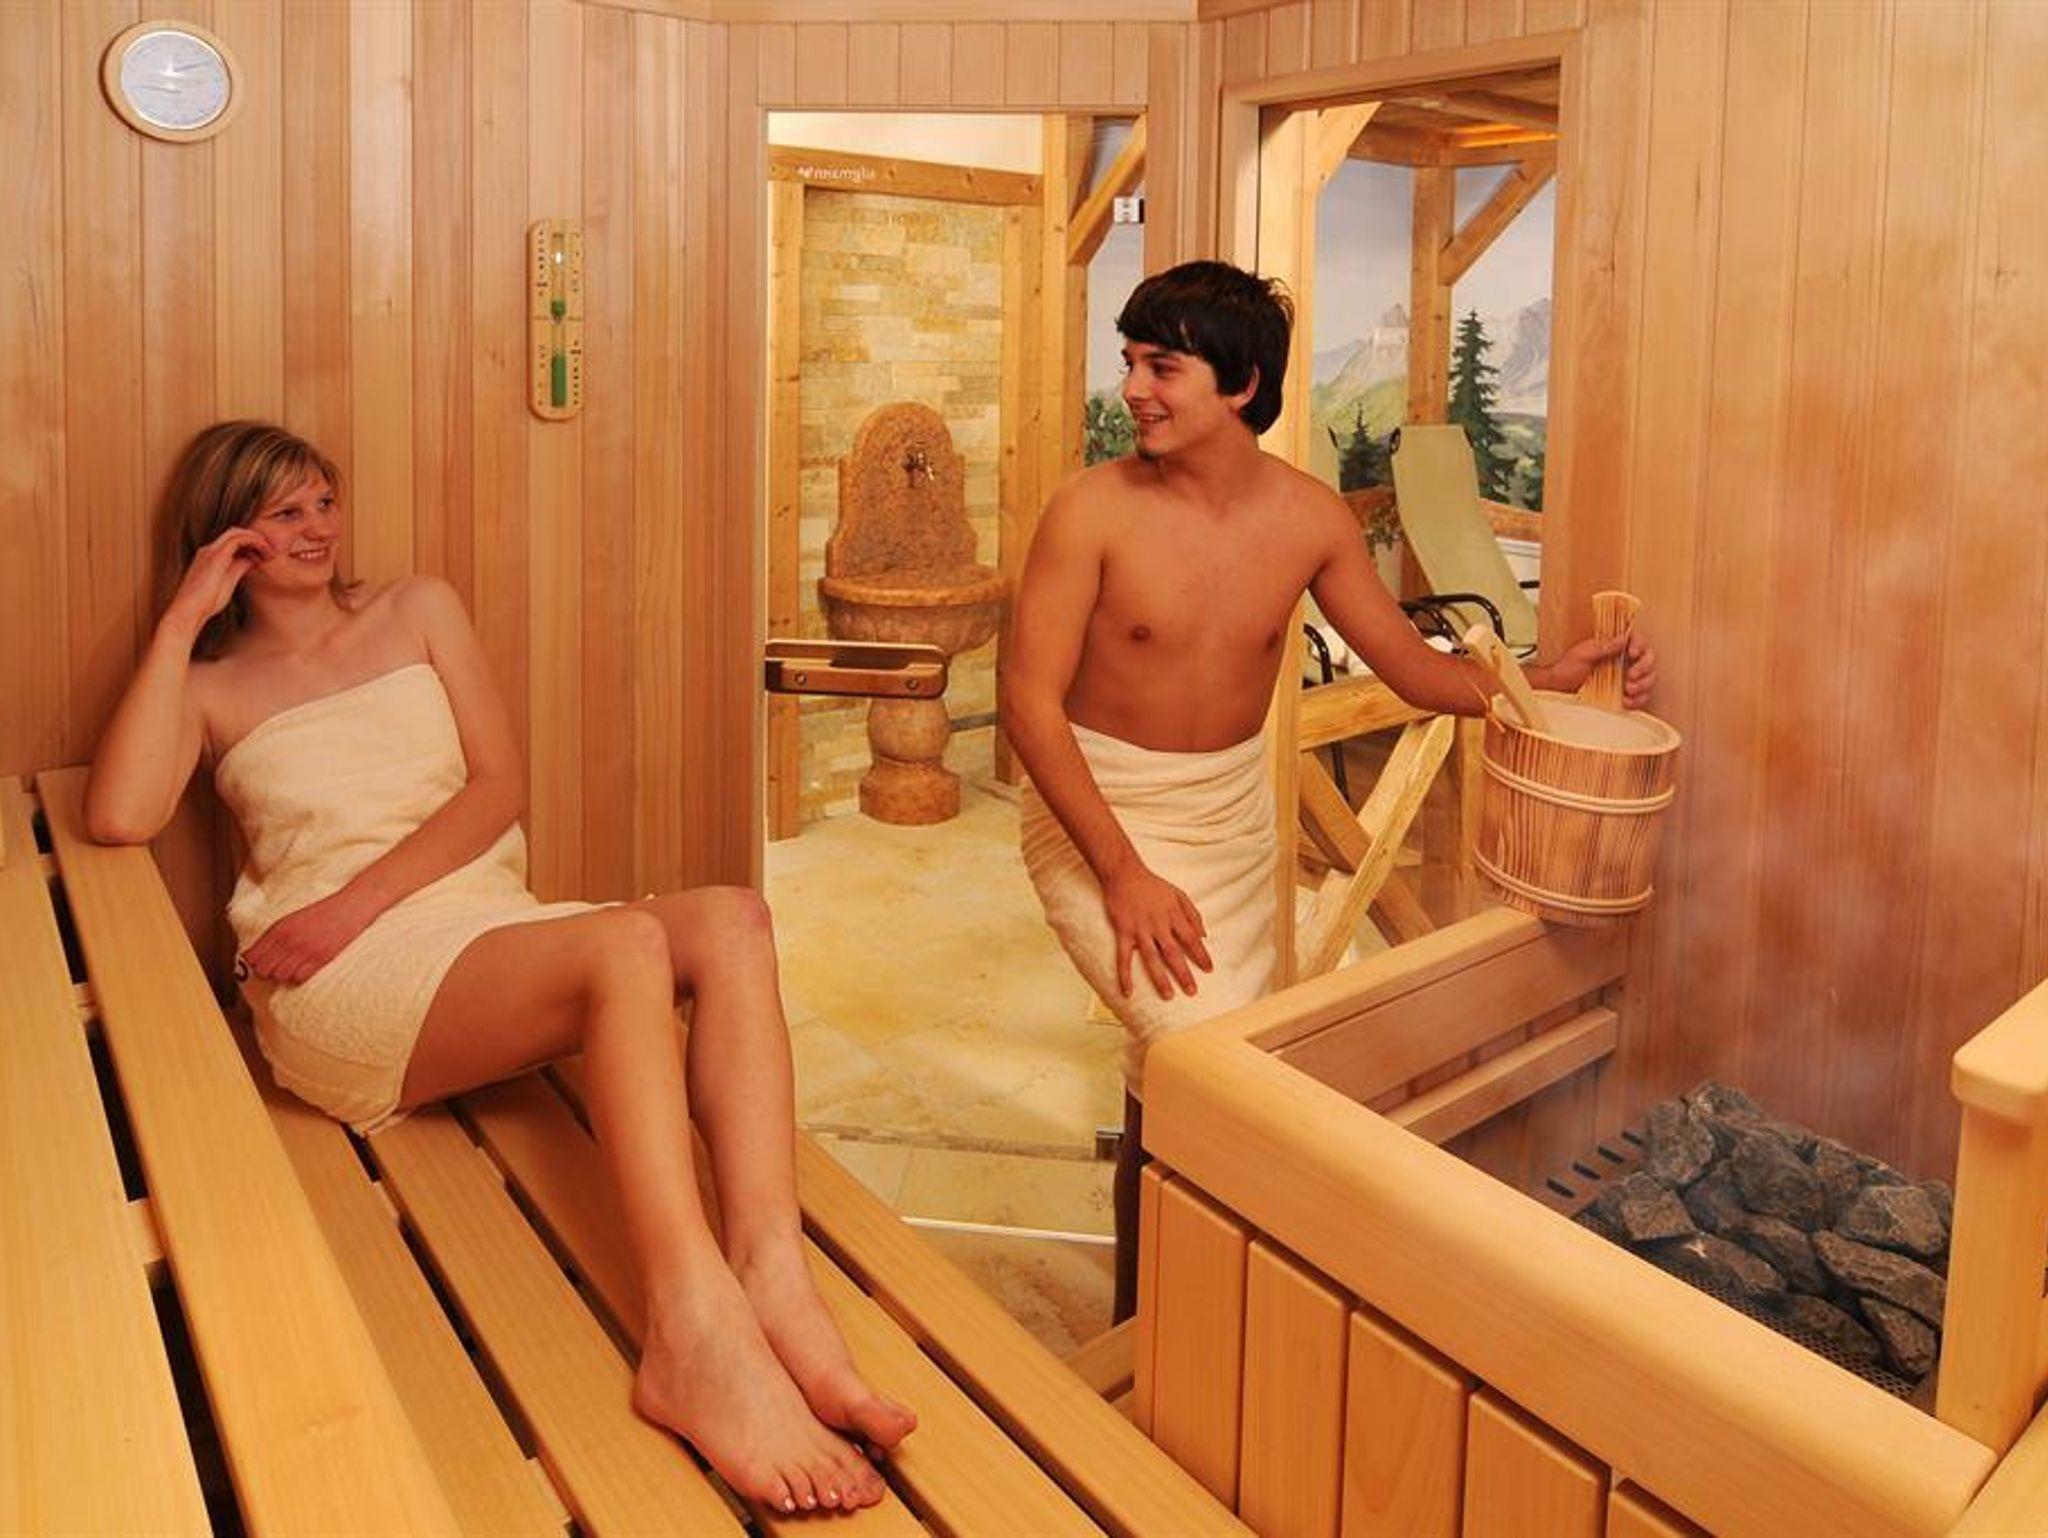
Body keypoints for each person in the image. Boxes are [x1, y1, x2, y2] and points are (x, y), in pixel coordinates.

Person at [84, 420, 914, 1516]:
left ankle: (770, 1271)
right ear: (226, 535)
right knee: (624, 943)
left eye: (324, 501)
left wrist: (354, 900)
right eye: (282, 513)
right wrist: (182, 618)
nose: (316, 528)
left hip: (463, 921)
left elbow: (497, 789)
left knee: (732, 920)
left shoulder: (416, 608)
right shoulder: (210, 683)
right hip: (338, 981)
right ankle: (692, 1331)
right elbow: (118, 813)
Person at [1000, 262, 1657, 1321]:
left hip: (1228, 819)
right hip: (1099, 815)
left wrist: (1543, 679)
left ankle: (1151, 1320)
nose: (1133, 390)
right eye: (1129, 364)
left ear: (1241, 384)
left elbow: (1412, 670)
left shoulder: (1308, 519)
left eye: (1161, 368)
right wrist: (1121, 875)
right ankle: (1188, 1313)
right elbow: (1027, 704)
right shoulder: (1089, 513)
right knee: (1207, 1057)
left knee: (1184, 1068)